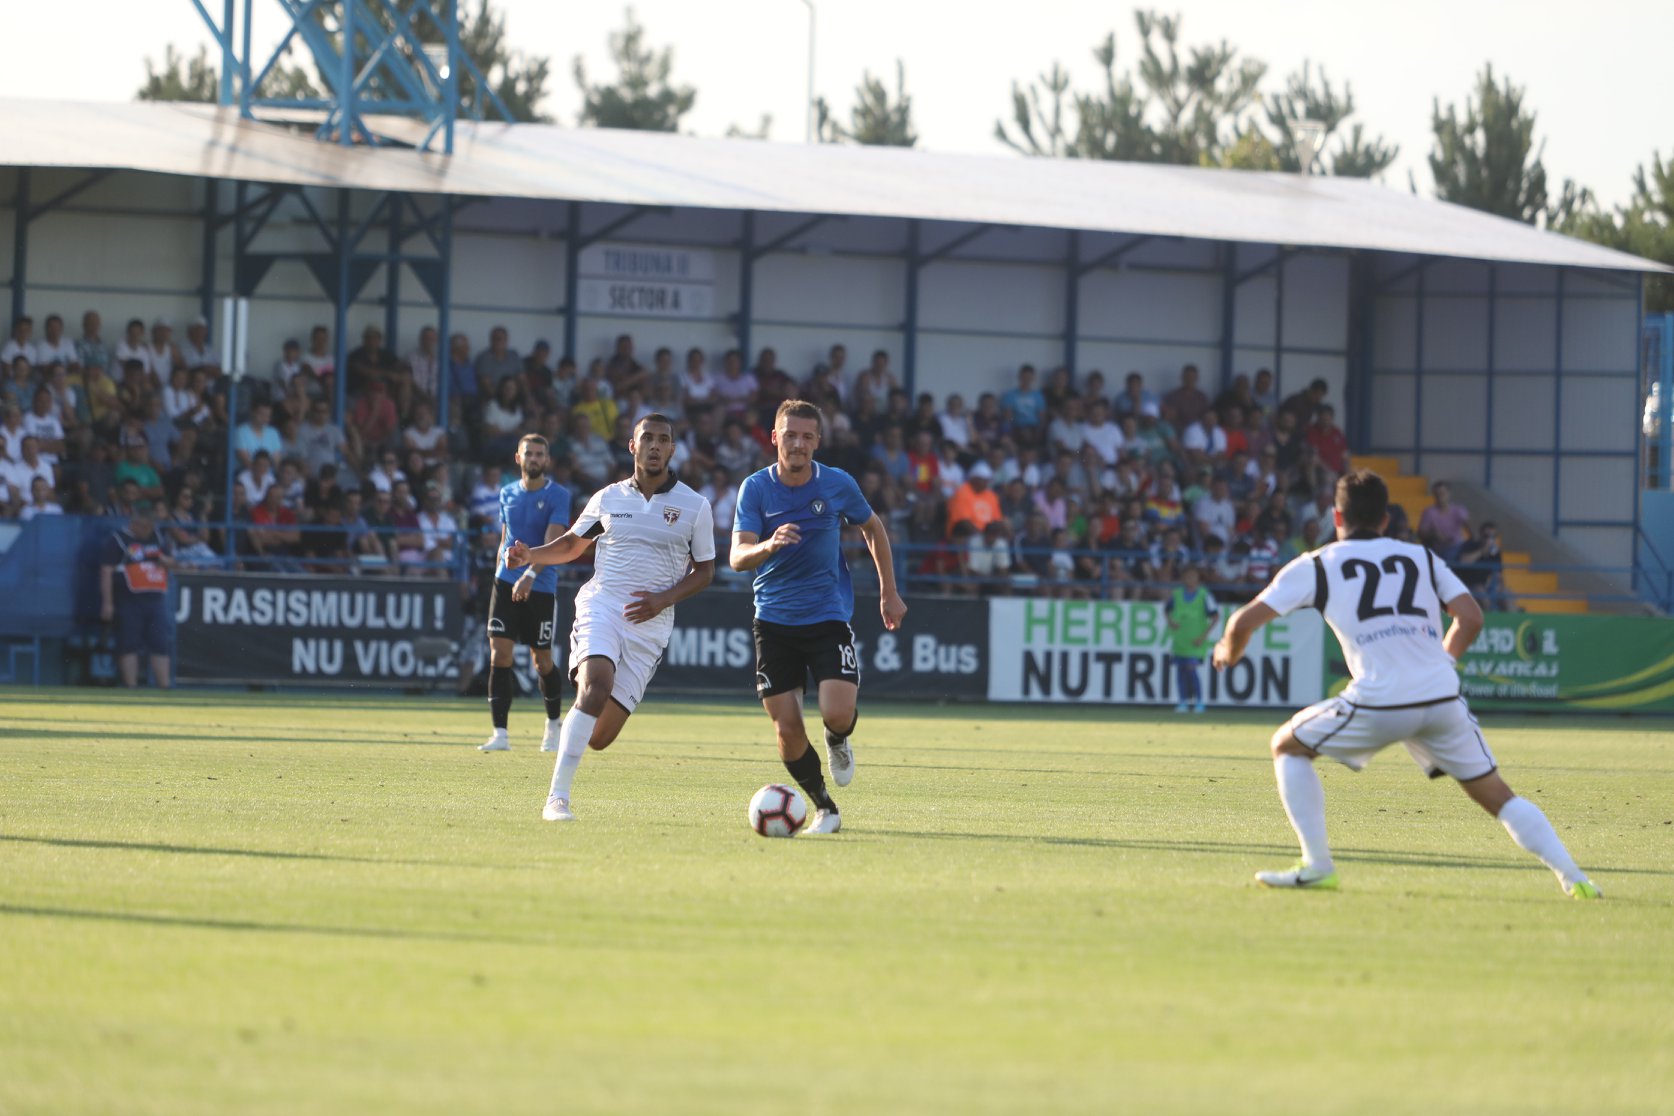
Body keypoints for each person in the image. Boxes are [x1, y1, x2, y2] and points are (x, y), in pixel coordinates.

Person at [1211, 469, 1599, 898]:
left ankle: (1318, 865)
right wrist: (1442, 662)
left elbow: (1241, 621)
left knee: (1287, 745)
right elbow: (1471, 618)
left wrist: (1228, 653)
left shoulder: (1318, 564)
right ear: (1385, 519)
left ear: (1337, 517)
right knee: (1499, 796)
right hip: (1441, 697)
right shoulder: (1422, 558)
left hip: (1382, 699)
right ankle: (1574, 878)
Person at [505, 415, 715, 820]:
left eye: (663, 440)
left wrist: (663, 599)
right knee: (596, 684)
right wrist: (532, 554)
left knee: (599, 738)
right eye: (647, 438)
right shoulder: (609, 498)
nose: (655, 446)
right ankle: (556, 798)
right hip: (602, 605)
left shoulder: (695, 506)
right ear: (632, 446)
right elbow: (570, 546)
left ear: (672, 450)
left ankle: (573, 727)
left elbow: (705, 570)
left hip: (650, 627)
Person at [730, 400, 908, 835]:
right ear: (775, 438)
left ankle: (838, 738)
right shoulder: (755, 489)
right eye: (790, 435)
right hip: (773, 621)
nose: (798, 444)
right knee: (787, 729)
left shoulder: (836, 484)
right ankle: (825, 808)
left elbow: (873, 528)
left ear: (818, 441)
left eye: (807, 436)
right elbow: (737, 557)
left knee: (836, 713)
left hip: (827, 616)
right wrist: (769, 546)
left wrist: (888, 592)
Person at [478, 434, 574, 753]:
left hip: (541, 586)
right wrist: (499, 575)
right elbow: (507, 538)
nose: (534, 459)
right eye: (528, 453)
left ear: (546, 460)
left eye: (539, 454)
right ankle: (500, 734)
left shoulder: (559, 495)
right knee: (499, 654)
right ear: (518, 458)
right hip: (505, 582)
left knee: (541, 659)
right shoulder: (506, 493)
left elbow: (554, 543)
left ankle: (552, 727)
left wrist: (530, 575)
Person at [100, 504, 175, 689]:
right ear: (136, 523)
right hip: (129, 600)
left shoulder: (158, 537)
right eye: (145, 527)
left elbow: (172, 561)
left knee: (160, 644)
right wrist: (107, 603)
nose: (148, 531)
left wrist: (167, 561)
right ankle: (131, 687)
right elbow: (106, 570)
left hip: (155, 599)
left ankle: (164, 687)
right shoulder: (119, 539)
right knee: (128, 644)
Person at [1165, 565, 1219, 714]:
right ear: (1183, 578)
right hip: (1180, 640)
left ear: (1198, 578)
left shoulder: (1204, 595)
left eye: (1193, 576)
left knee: (1191, 669)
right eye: (1187, 576)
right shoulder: (1176, 595)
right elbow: (1167, 610)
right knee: (1181, 671)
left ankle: (1199, 701)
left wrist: (1203, 636)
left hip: (1196, 641)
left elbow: (1215, 616)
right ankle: (1182, 701)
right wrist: (1170, 621)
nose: (1190, 579)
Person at [1418, 480, 1471, 562]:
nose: (1440, 497)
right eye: (1437, 494)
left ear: (1449, 494)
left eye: (1442, 493)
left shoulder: (1458, 510)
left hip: (1457, 547)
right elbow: (1422, 532)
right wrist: (1433, 534)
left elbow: (1469, 525)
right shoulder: (1429, 512)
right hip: (1438, 548)